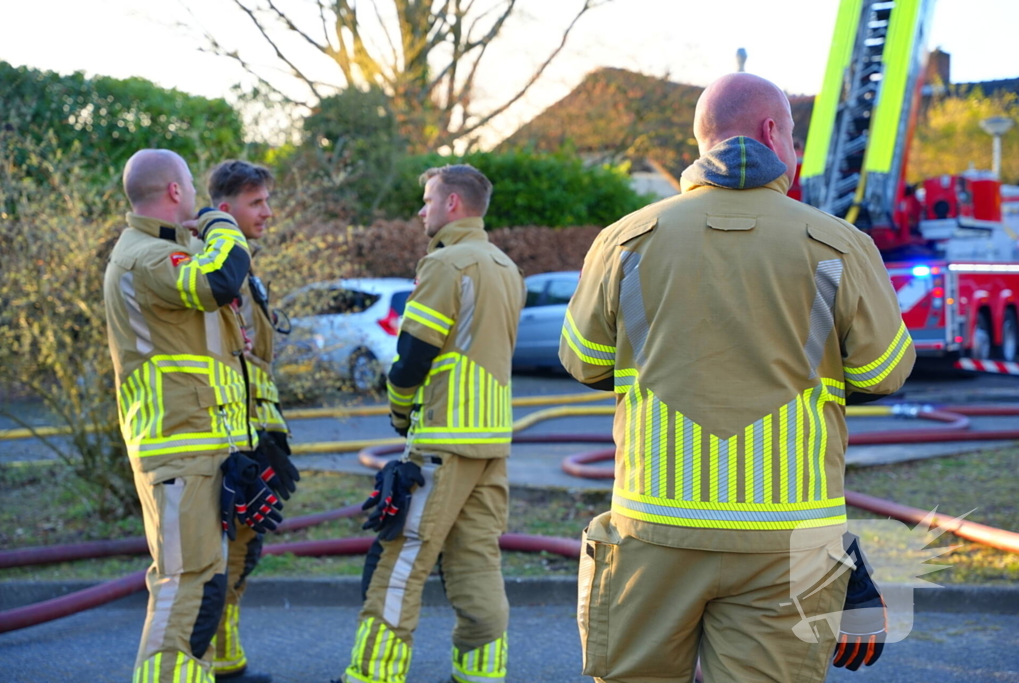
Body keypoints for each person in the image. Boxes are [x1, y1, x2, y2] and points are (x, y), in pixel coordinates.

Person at [560, 73, 915, 683]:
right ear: (773, 133)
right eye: (795, 137)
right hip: (789, 540)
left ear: (702, 140)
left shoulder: (625, 240)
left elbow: (584, 360)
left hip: (654, 530)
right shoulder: (840, 245)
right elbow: (884, 372)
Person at [340, 164, 525, 683]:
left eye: (427, 200)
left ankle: (373, 674)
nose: (421, 211)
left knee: (404, 560)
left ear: (453, 205)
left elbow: (413, 357)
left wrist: (399, 411)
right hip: (492, 443)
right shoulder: (507, 268)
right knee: (477, 560)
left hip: (443, 440)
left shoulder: (445, 265)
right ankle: (482, 673)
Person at [104, 149, 281, 682]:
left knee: (204, 587)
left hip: (205, 449)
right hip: (176, 450)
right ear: (177, 193)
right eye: (196, 193)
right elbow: (218, 282)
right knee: (185, 589)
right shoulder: (146, 257)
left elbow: (235, 356)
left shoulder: (172, 252)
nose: (204, 206)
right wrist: (224, 224)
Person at [206, 160, 300, 683]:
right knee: (224, 563)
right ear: (224, 211)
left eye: (267, 200)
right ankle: (220, 666)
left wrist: (268, 441)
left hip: (255, 438)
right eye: (256, 202)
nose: (268, 211)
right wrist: (238, 451)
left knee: (243, 557)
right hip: (231, 445)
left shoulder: (245, 273)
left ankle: (228, 662)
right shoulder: (216, 274)